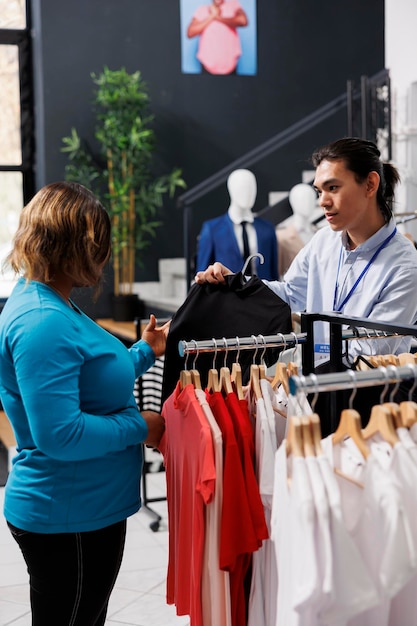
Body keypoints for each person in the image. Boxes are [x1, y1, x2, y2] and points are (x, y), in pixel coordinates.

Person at [0, 181, 169, 625]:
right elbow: (62, 435)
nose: (104, 256)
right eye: (100, 244)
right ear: (77, 245)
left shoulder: (51, 301)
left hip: (82, 509)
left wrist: (144, 352)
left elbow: (91, 380)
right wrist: (143, 427)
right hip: (67, 516)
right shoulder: (41, 321)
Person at [195, 137, 417, 364]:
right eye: (319, 191)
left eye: (332, 188)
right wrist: (236, 282)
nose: (322, 202)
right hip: (315, 382)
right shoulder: (323, 241)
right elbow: (291, 293)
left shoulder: (405, 265)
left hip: (371, 394)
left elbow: (371, 352)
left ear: (370, 184)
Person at [195, 168, 279, 280]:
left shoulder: (267, 228)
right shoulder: (212, 229)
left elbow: (273, 272)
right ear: (231, 190)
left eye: (251, 188)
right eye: (242, 188)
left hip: (262, 293)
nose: (248, 193)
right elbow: (203, 274)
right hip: (228, 295)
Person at [187, 0, 248, 75]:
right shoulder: (202, 10)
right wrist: (211, 16)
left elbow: (243, 21)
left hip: (230, 67)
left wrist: (217, 17)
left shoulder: (233, 5)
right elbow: (190, 32)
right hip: (207, 67)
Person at [276, 182, 318, 277]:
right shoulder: (281, 237)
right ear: (293, 202)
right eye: (303, 200)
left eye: (311, 199)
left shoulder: (320, 234)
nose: (308, 203)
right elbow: (278, 272)